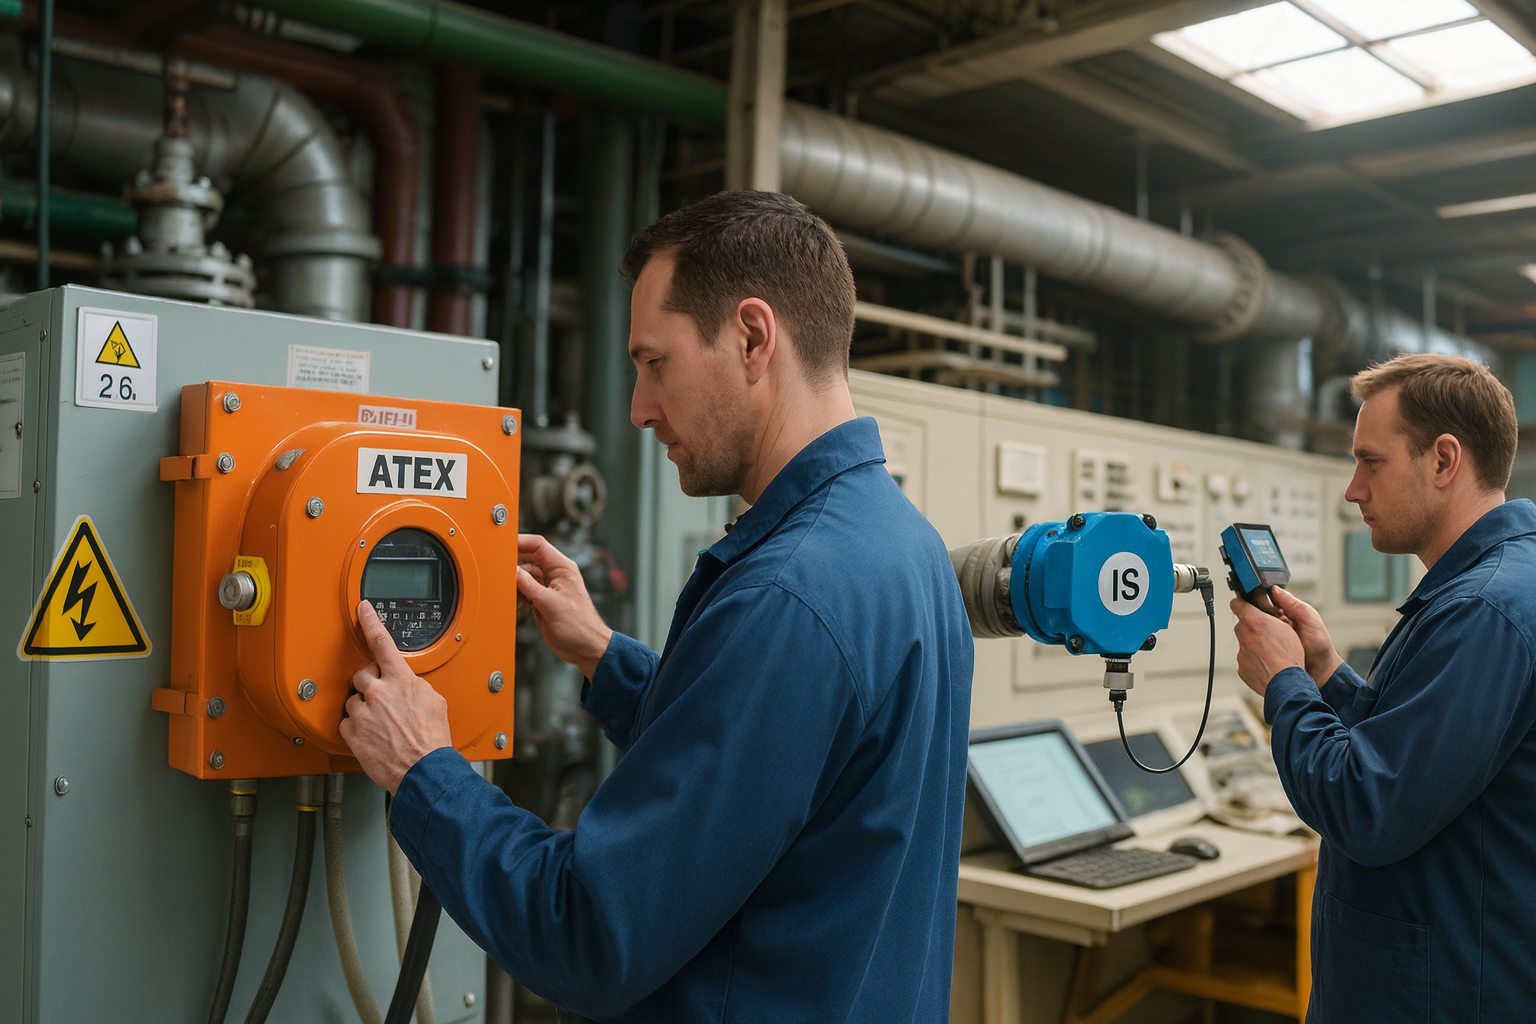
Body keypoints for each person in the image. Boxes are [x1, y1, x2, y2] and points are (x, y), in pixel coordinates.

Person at [339, 190, 974, 1022]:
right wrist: (604, 656)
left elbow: (588, 934)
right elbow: (768, 767)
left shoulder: (787, 597)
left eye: (654, 363)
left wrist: (425, 773)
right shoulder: (904, 546)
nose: (639, 407)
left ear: (753, 338)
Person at [1229, 352, 1535, 1022]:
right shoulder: (1493, 586)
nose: (1352, 490)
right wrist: (1326, 673)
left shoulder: (1482, 608)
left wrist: (1283, 684)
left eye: (1371, 462)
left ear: (1443, 460)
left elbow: (1368, 807)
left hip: (1441, 995)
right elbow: (1424, 754)